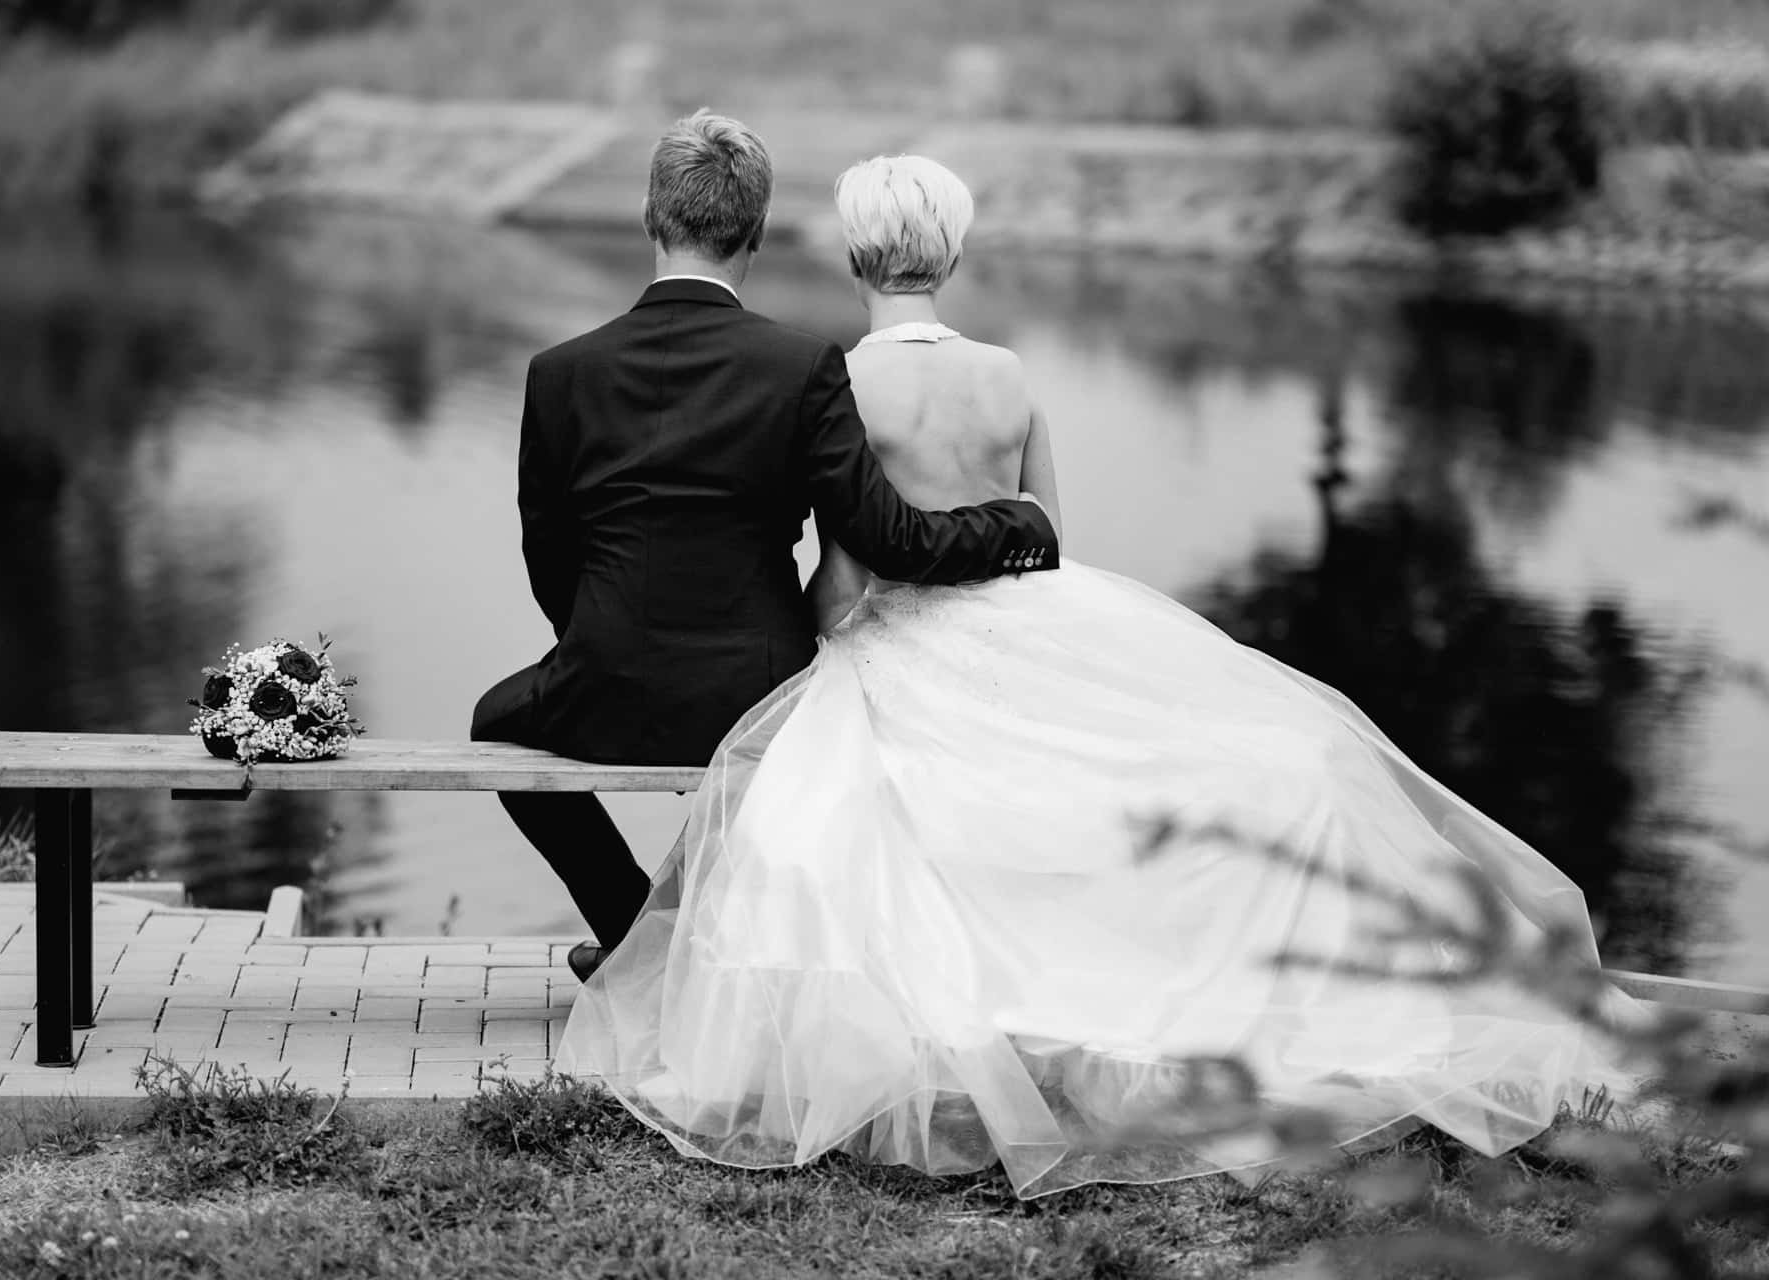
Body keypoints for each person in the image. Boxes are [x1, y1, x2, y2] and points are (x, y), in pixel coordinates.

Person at [554, 154, 1645, 1197]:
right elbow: (1045, 537)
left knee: (841, 809)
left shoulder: (840, 379)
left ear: (853, 258)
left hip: (899, 633)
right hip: (1029, 622)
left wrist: (812, 648)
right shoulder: (1008, 376)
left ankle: (965, 1021)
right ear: (952, 254)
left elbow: (845, 580)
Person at [471, 116, 1060, 981]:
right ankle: (656, 941)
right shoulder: (802, 367)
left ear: (649, 217)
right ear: (755, 233)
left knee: (493, 725)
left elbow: (548, 556)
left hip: (603, 680)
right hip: (761, 693)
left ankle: (632, 933)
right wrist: (1021, 525)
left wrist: (598, 645)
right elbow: (890, 539)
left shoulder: (561, 372)